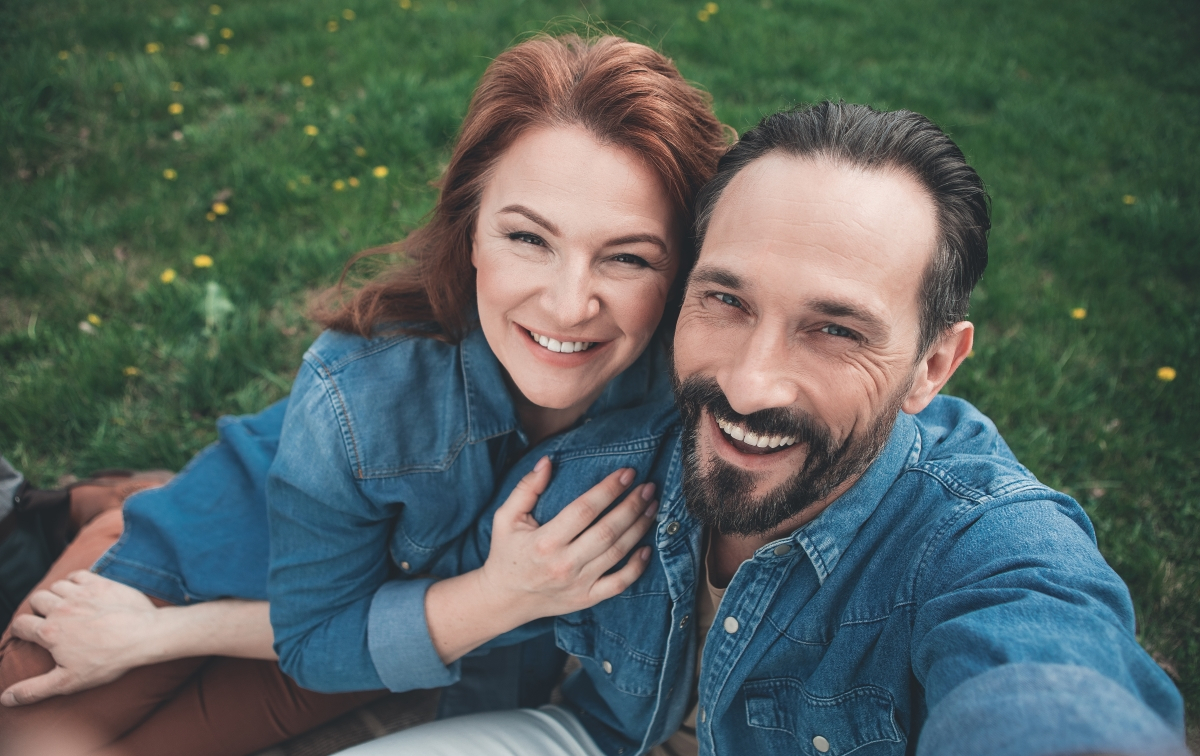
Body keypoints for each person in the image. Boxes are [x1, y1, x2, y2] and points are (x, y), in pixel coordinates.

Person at [326, 102, 1188, 756]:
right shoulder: (596, 469)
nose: (746, 384)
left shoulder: (983, 545)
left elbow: (1046, 684)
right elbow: (458, 645)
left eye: (836, 330)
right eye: (727, 300)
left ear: (933, 366)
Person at [0, 34, 729, 756]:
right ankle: (114, 507)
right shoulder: (359, 390)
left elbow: (340, 643)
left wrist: (503, 599)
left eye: (627, 257)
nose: (570, 306)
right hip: (230, 545)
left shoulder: (690, 408)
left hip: (368, 629)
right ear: (470, 231)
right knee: (28, 741)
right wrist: (158, 631)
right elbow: (319, 632)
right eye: (529, 239)